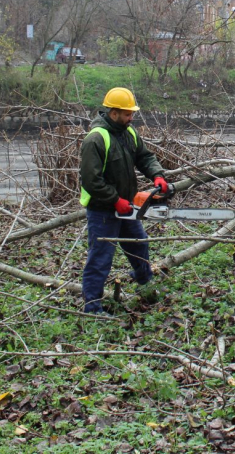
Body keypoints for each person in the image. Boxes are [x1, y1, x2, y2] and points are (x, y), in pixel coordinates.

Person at [79, 87, 170, 314]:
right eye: (127, 114)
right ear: (114, 113)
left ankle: (145, 282)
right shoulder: (96, 139)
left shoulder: (128, 133)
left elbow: (144, 156)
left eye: (132, 113)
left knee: (139, 243)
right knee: (101, 257)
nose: (132, 117)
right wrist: (114, 199)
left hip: (127, 205)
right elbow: (91, 180)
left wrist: (156, 175)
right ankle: (92, 305)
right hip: (102, 209)